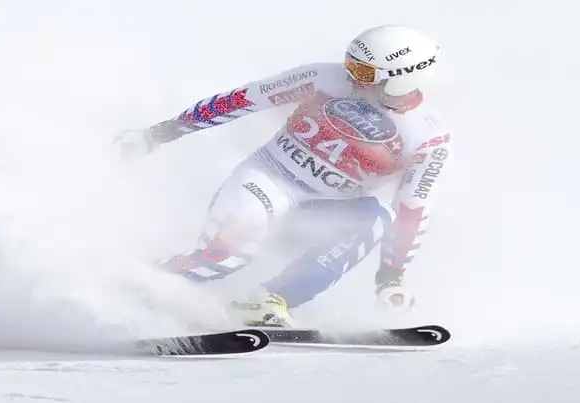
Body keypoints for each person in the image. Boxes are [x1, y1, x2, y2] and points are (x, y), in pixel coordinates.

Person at [115, 24, 453, 327]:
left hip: (318, 214)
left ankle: (267, 301)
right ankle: (133, 282)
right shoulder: (324, 78)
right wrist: (158, 134)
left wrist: (391, 277)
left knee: (377, 216)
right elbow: (244, 100)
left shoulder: (426, 136)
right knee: (228, 258)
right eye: (350, 64)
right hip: (266, 180)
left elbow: (412, 208)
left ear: (403, 77)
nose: (350, 76)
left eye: (363, 72)